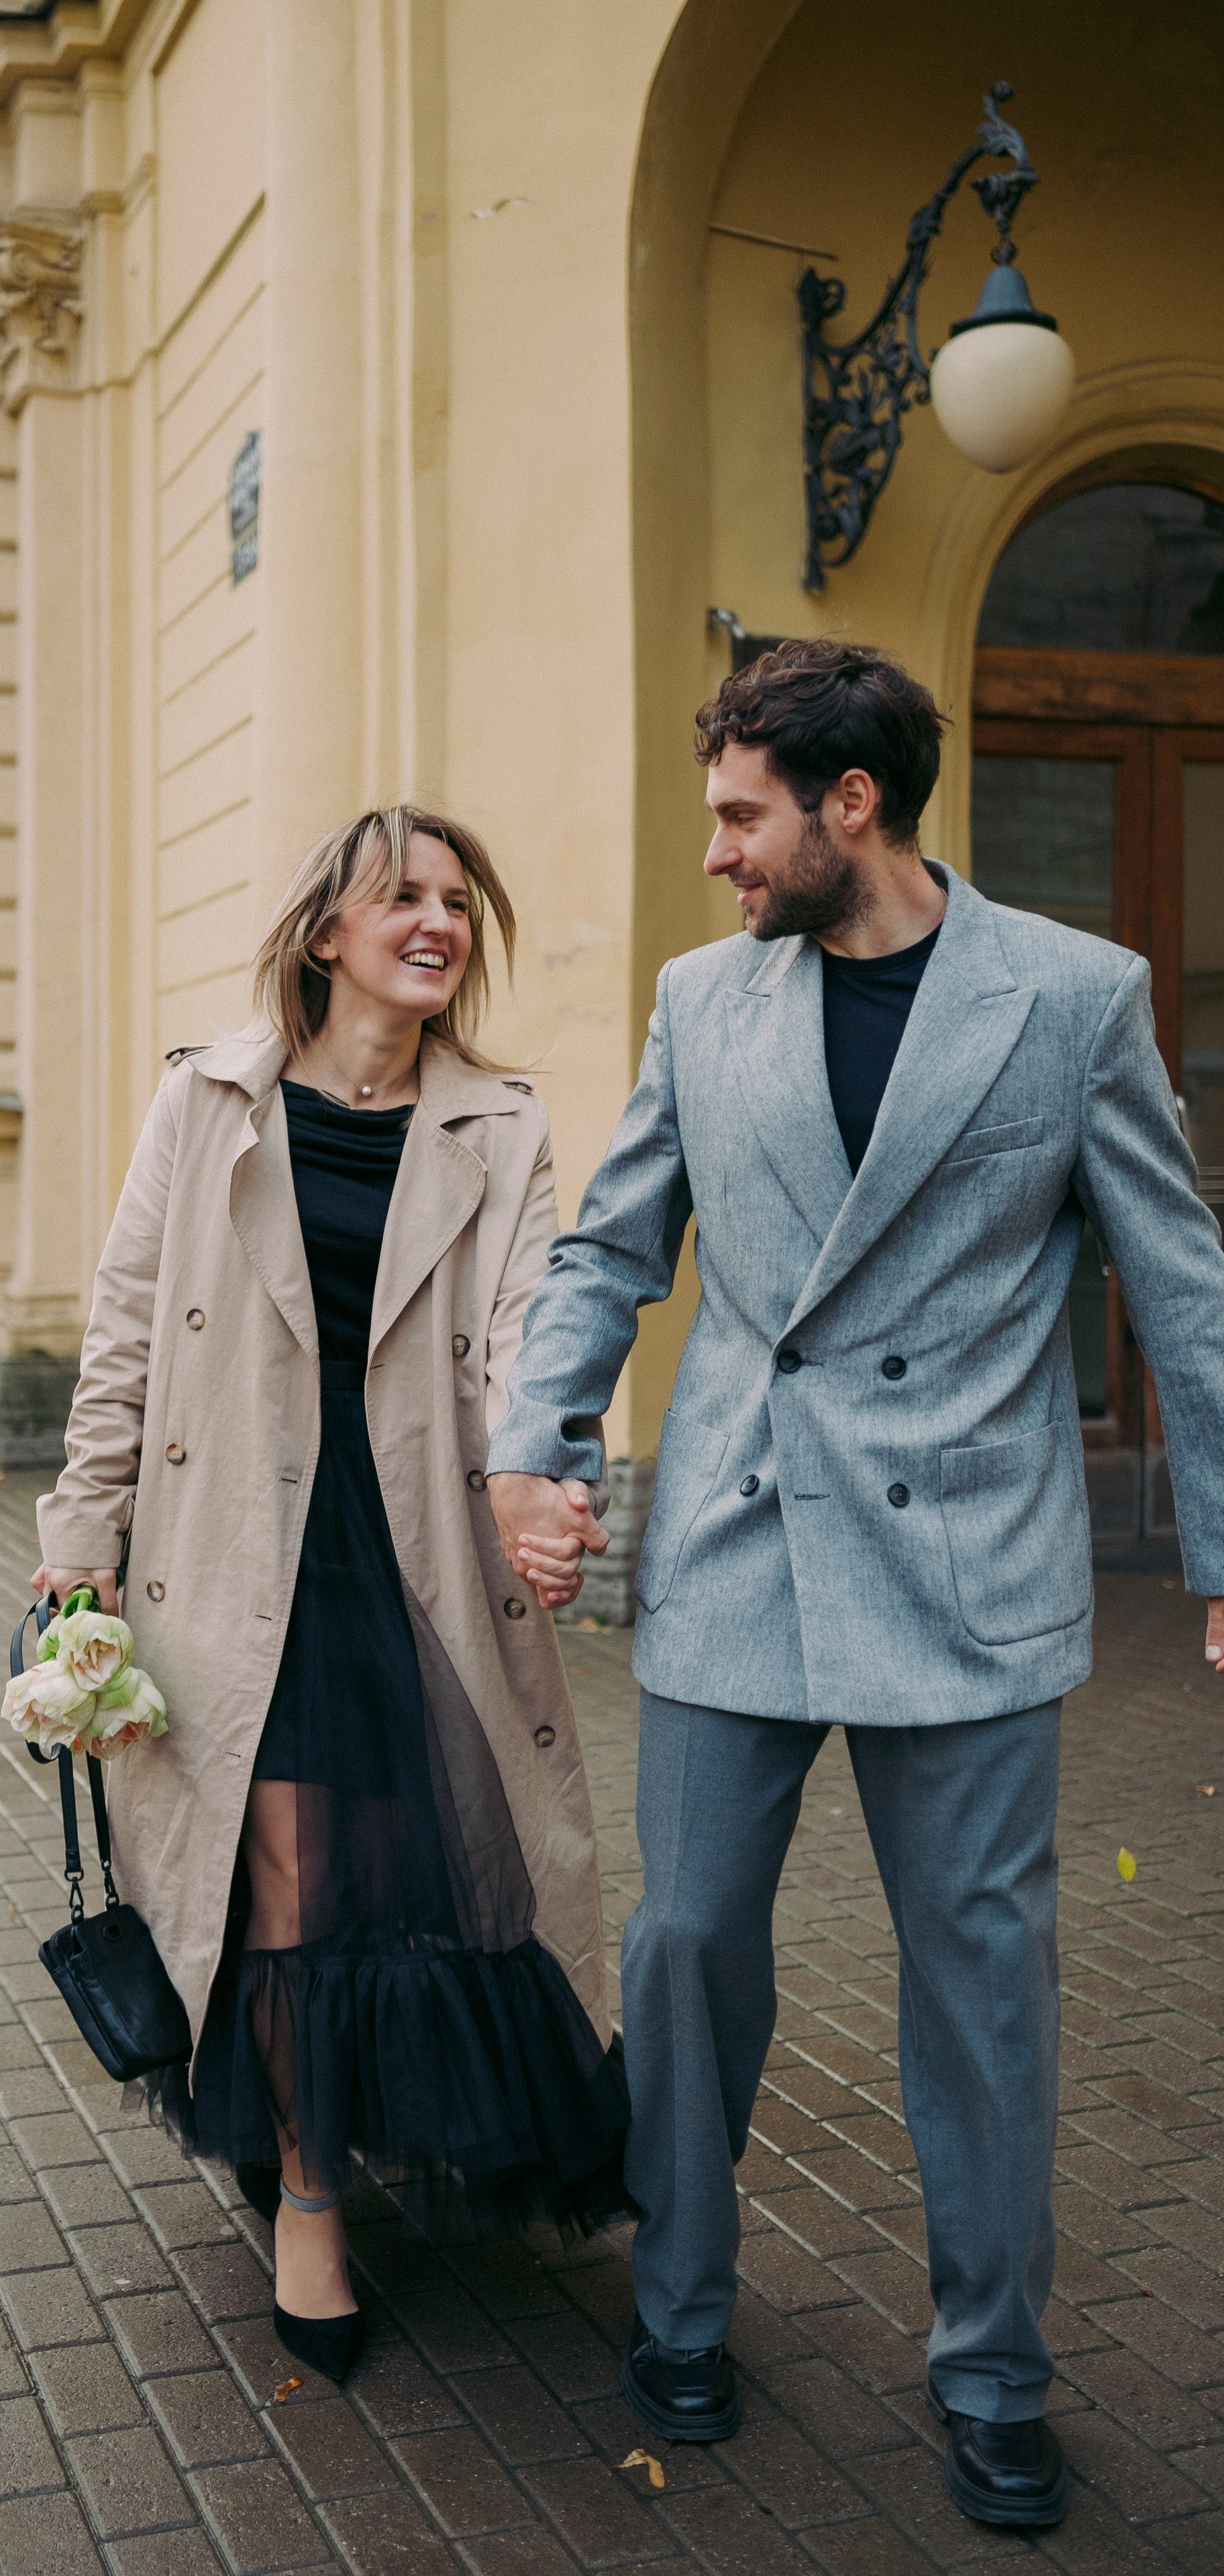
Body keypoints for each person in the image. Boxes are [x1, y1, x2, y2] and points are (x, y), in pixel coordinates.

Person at [486, 639, 1224, 2532]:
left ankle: (993, 2374)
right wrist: (534, 1441)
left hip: (967, 1561)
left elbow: (1182, 1281)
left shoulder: (1073, 997)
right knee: (685, 1947)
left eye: (741, 815)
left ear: (850, 806)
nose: (717, 855)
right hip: (739, 1527)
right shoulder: (700, 1002)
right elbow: (609, 1249)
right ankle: (681, 2303)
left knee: (983, 1986)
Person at [32, 805, 630, 2384]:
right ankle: (309, 2193)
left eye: (455, 901)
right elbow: (123, 1332)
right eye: (400, 898)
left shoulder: (497, 1124)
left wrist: (543, 1479)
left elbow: (528, 1326)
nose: (434, 921)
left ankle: (370, 2122)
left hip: (421, 1549)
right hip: (241, 1550)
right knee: (290, 1877)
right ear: (324, 934)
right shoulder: (207, 1099)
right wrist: (77, 1540)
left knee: (426, 1865)